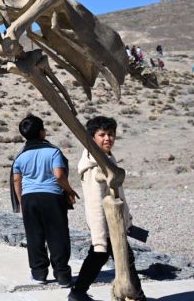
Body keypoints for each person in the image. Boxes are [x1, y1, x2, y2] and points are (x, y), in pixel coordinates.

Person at [69, 116, 145, 301]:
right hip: (107, 224)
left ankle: (78, 292)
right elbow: (95, 204)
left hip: (114, 222)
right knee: (125, 259)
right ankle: (137, 296)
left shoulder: (106, 159)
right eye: (102, 135)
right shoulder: (94, 167)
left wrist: (127, 218)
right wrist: (100, 234)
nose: (107, 139)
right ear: (92, 138)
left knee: (98, 257)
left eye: (110, 134)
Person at [11, 114, 77, 286]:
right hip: (52, 197)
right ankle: (62, 275)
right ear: (42, 132)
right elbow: (59, 175)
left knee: (34, 236)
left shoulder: (20, 156)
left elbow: (16, 180)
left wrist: (21, 202)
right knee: (58, 235)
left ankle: (39, 274)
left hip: (29, 198)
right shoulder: (53, 151)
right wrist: (69, 190)